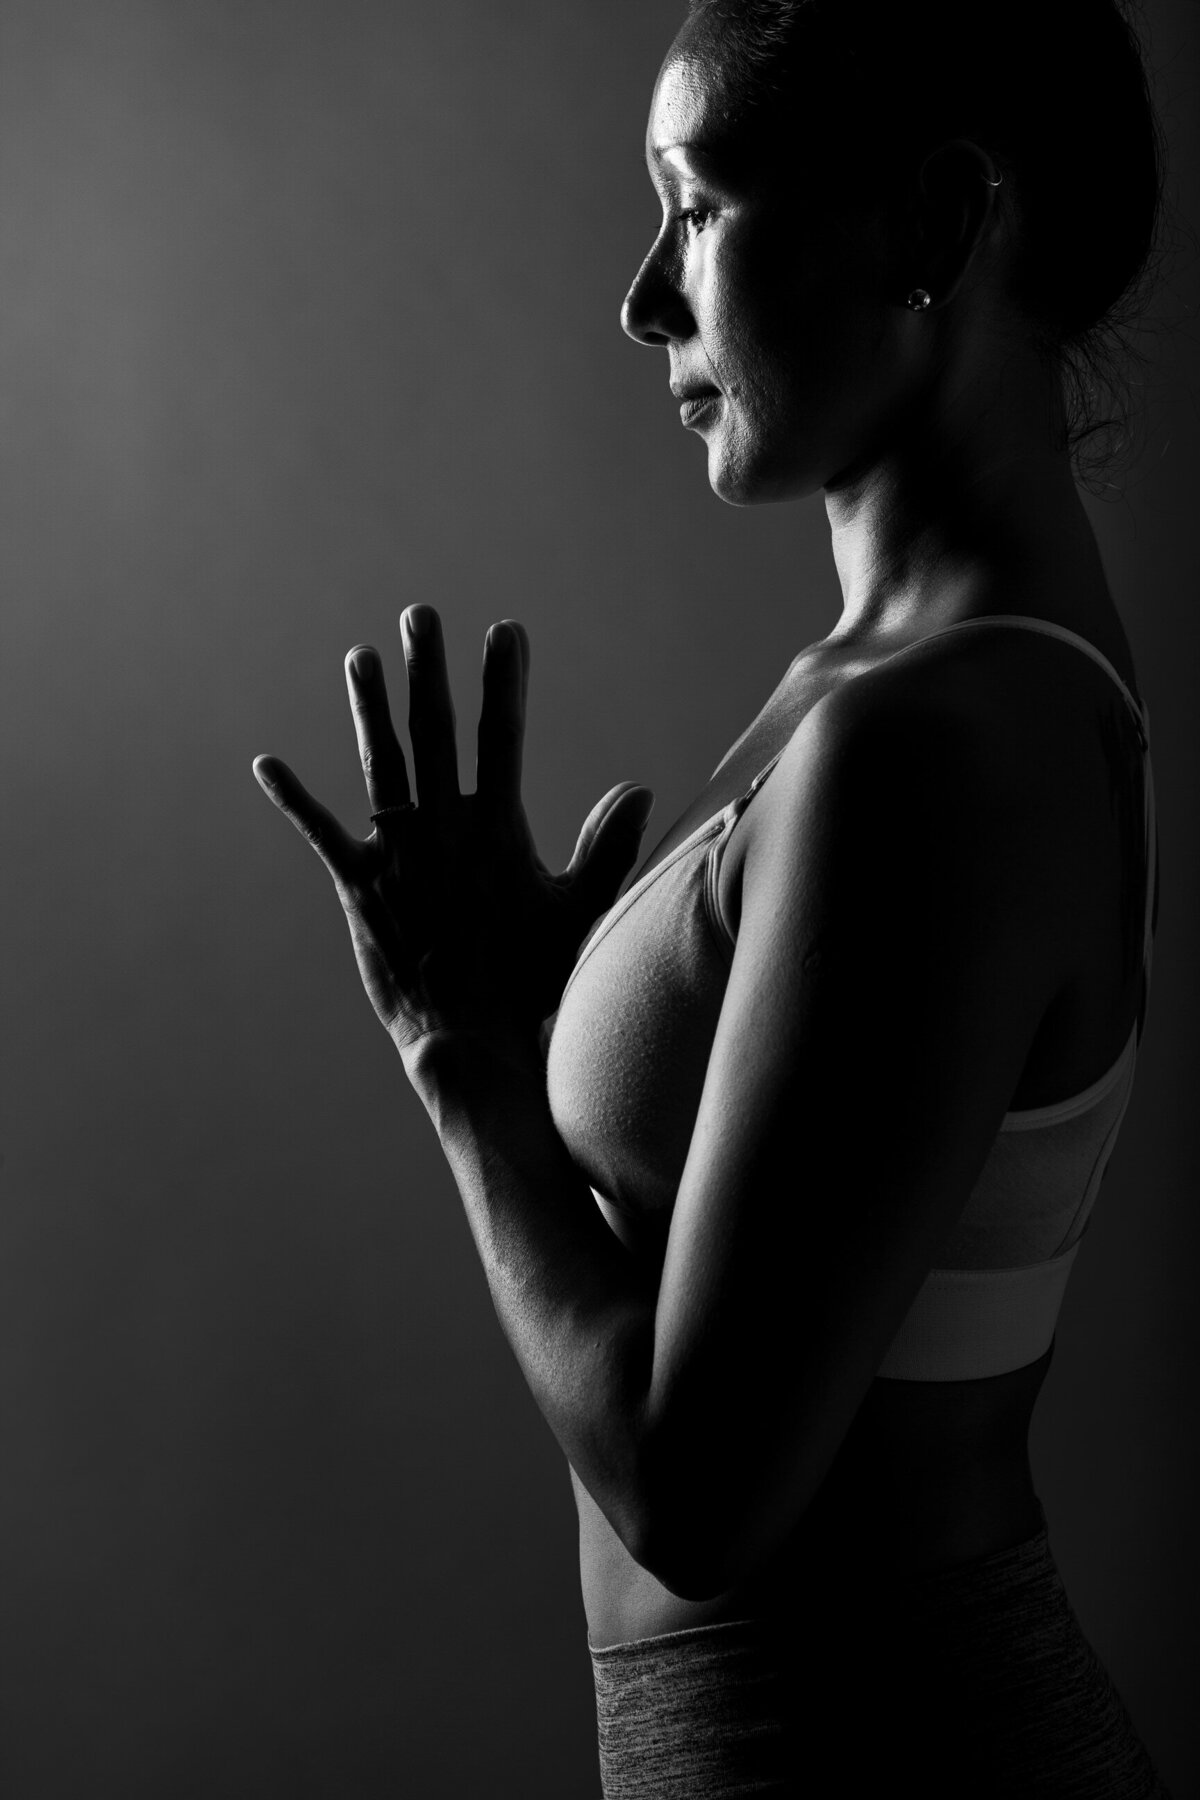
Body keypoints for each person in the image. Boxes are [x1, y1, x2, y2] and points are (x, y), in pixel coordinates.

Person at [253, 0, 1174, 1791]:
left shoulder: (938, 739)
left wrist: (471, 1077)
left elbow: (703, 1492)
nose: (644, 296)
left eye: (694, 202)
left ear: (933, 225)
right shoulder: (912, 685)